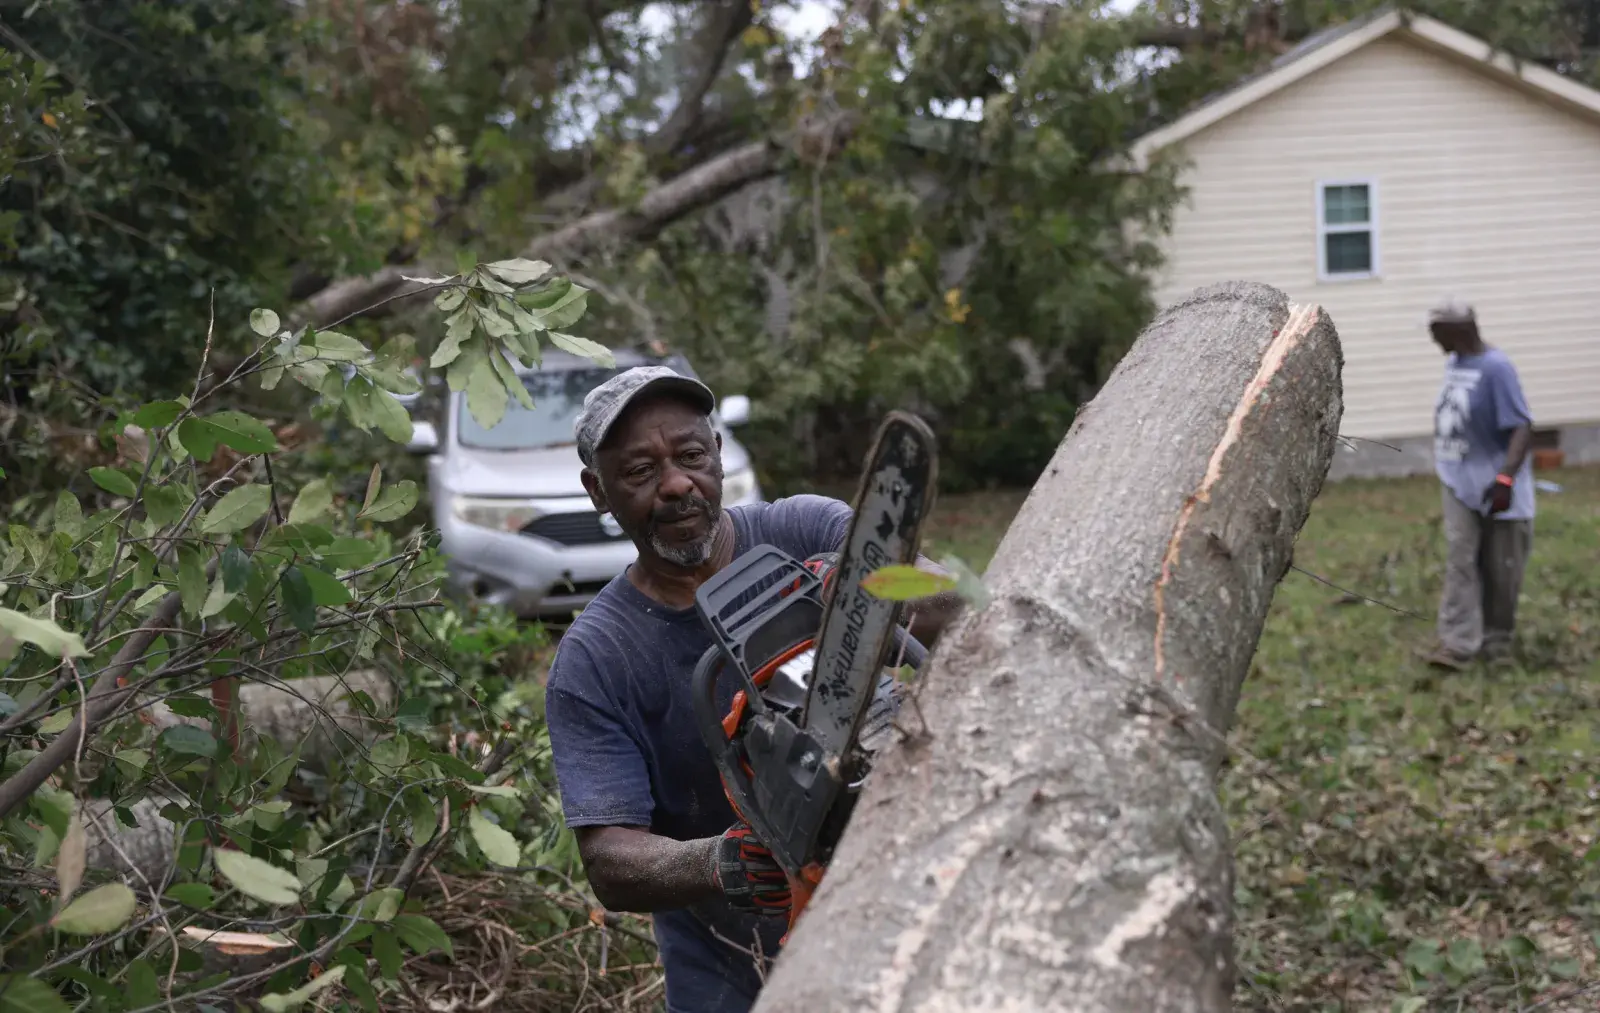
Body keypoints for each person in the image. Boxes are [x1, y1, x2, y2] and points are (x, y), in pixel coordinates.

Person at [542, 366, 959, 1013]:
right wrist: (719, 860)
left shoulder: (807, 528)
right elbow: (608, 859)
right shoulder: (597, 657)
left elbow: (945, 601)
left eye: (690, 455)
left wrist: (868, 589)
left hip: (903, 887)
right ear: (598, 490)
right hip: (731, 961)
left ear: (715, 448)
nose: (677, 483)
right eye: (641, 471)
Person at [1421, 299, 1534, 671]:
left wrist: (1505, 479)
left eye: (1437, 332)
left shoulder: (1496, 368)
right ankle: (1457, 645)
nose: (1432, 339)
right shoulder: (1456, 362)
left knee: (1502, 567)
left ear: (1461, 331)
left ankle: (1497, 642)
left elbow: (1521, 426)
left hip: (1497, 486)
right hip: (1458, 479)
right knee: (1461, 560)